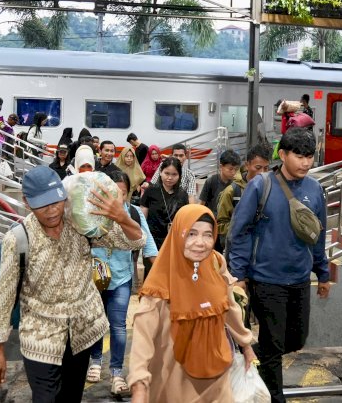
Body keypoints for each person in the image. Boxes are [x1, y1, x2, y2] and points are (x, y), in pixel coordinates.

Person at [0, 166, 145, 402]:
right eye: (42, 204)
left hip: (82, 334)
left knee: (71, 398)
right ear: (26, 202)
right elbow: (5, 295)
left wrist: (121, 217)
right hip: (41, 339)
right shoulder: (19, 239)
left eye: (56, 201)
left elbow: (134, 241)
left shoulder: (80, 223)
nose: (51, 211)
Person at [228, 127, 331, 403]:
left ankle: (243, 356)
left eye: (310, 156)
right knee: (273, 344)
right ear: (283, 154)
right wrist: (238, 274)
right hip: (266, 279)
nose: (306, 163)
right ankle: (275, 398)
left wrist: (323, 273)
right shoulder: (261, 185)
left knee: (296, 340)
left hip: (299, 279)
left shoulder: (315, 189)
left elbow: (317, 235)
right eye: (299, 155)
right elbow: (240, 231)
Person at [128, 204, 257, 403]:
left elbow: (229, 306)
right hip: (174, 379)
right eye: (191, 234)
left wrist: (246, 347)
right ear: (178, 233)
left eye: (207, 234)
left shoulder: (216, 262)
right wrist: (139, 384)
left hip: (217, 371)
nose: (201, 243)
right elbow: (143, 337)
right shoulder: (161, 279)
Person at [86, 171, 159, 396]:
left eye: (123, 194)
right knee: (95, 322)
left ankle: (117, 372)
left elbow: (147, 244)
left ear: (129, 193)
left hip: (121, 278)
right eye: (112, 193)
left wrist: (161, 275)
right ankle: (95, 361)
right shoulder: (92, 212)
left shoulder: (134, 214)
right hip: (94, 277)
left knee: (117, 325)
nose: (117, 199)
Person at [217, 143, 272, 252]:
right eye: (258, 167)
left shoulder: (271, 189)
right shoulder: (232, 191)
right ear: (247, 165)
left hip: (264, 250)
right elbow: (220, 225)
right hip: (238, 250)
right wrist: (242, 227)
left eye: (266, 168)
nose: (262, 172)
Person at [140, 157, 189, 275]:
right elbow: (143, 219)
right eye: (166, 173)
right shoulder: (151, 191)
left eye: (174, 174)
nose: (170, 178)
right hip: (153, 241)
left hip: (174, 241)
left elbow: (184, 220)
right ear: (160, 172)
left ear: (179, 176)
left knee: (171, 274)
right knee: (153, 274)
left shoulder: (182, 195)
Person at [198, 149, 241, 222]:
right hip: (212, 220)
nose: (233, 172)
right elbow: (202, 205)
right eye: (230, 169)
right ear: (221, 167)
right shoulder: (211, 181)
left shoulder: (236, 184)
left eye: (236, 169)